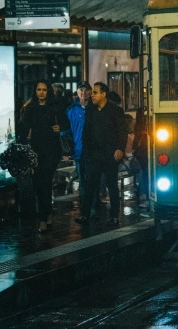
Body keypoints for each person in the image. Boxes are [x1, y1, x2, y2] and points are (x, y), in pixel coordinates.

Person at [18, 80, 69, 232]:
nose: (41, 92)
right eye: (39, 89)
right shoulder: (31, 108)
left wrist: (59, 127)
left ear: (48, 91)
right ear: (35, 91)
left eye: (44, 90)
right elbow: (23, 128)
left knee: (45, 181)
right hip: (36, 151)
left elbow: (66, 124)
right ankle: (47, 212)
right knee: (38, 184)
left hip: (52, 150)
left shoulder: (55, 107)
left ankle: (42, 218)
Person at [75, 81, 127, 228]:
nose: (92, 95)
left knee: (111, 185)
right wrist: (86, 152)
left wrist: (120, 149)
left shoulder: (115, 111)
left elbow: (122, 132)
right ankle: (85, 214)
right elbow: (86, 132)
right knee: (90, 185)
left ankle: (114, 216)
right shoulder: (90, 111)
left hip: (110, 154)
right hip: (94, 154)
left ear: (104, 94)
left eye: (95, 92)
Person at [66, 80, 92, 203]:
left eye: (86, 90)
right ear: (77, 92)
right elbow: (66, 131)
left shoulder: (94, 108)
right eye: (81, 90)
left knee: (93, 178)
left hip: (93, 150)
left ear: (91, 92)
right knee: (82, 178)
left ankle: (94, 205)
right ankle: (85, 205)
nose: (83, 92)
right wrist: (67, 150)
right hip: (78, 150)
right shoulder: (70, 110)